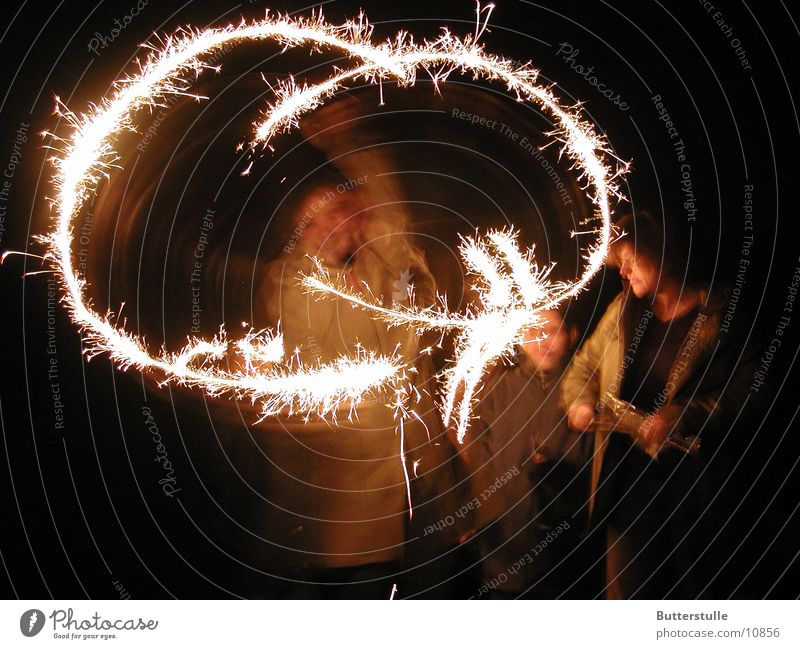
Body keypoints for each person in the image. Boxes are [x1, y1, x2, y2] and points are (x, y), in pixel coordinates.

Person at [561, 211, 752, 598]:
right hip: (629, 491)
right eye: (620, 266)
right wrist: (581, 404)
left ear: (661, 251)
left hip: (696, 496)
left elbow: (751, 390)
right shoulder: (624, 310)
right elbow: (584, 368)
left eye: (630, 261)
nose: (624, 273)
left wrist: (686, 413)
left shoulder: (720, 314)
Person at [460, 307, 589, 598]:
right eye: (533, 331)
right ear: (518, 338)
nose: (543, 341)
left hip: (566, 552)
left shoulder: (585, 392)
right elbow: (477, 463)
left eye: (553, 331)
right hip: (505, 549)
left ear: (572, 334)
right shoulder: (497, 391)